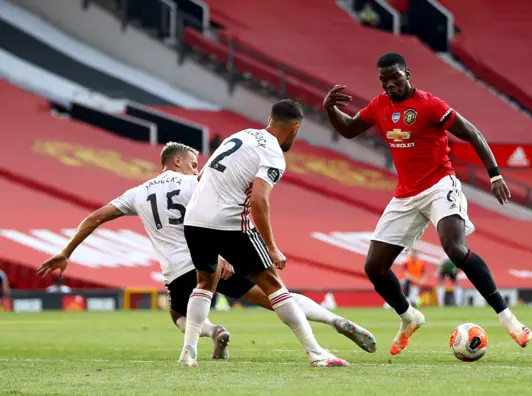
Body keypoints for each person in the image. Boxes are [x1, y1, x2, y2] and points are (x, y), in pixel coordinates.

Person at [36, 138, 375, 365]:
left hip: (178, 268)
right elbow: (215, 216)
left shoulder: (137, 193)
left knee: (177, 316)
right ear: (179, 161)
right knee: (273, 295)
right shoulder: (196, 183)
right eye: (194, 162)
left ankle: (209, 337)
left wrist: (67, 252)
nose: (197, 168)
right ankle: (333, 320)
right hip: (216, 259)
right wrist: (225, 253)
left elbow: (96, 216)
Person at [322, 52, 532, 355]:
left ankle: (509, 319)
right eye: (384, 80)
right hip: (405, 195)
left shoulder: (430, 105)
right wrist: (330, 109)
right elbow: (349, 129)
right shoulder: (379, 104)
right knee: (374, 267)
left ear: (407, 73)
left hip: (439, 185)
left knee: (454, 249)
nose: (390, 85)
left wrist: (495, 174)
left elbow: (472, 133)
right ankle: (409, 316)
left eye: (395, 77)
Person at [180, 99, 351, 367]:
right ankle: (317, 353)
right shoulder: (273, 154)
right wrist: (271, 246)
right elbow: (259, 200)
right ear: (295, 128)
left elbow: (201, 176)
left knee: (204, 283)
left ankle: (188, 353)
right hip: (229, 221)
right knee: (274, 285)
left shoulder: (240, 135)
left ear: (270, 119)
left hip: (193, 220)